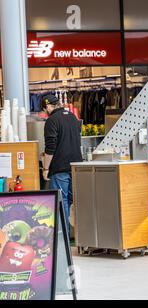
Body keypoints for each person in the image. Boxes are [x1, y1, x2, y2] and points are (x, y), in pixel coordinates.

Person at [42, 94, 82, 237]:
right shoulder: (73, 117)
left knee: (61, 201)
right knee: (72, 200)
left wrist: (46, 168)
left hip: (59, 167)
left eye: (45, 109)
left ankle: (62, 236)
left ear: (48, 106)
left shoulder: (51, 121)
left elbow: (50, 146)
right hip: (76, 166)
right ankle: (76, 235)